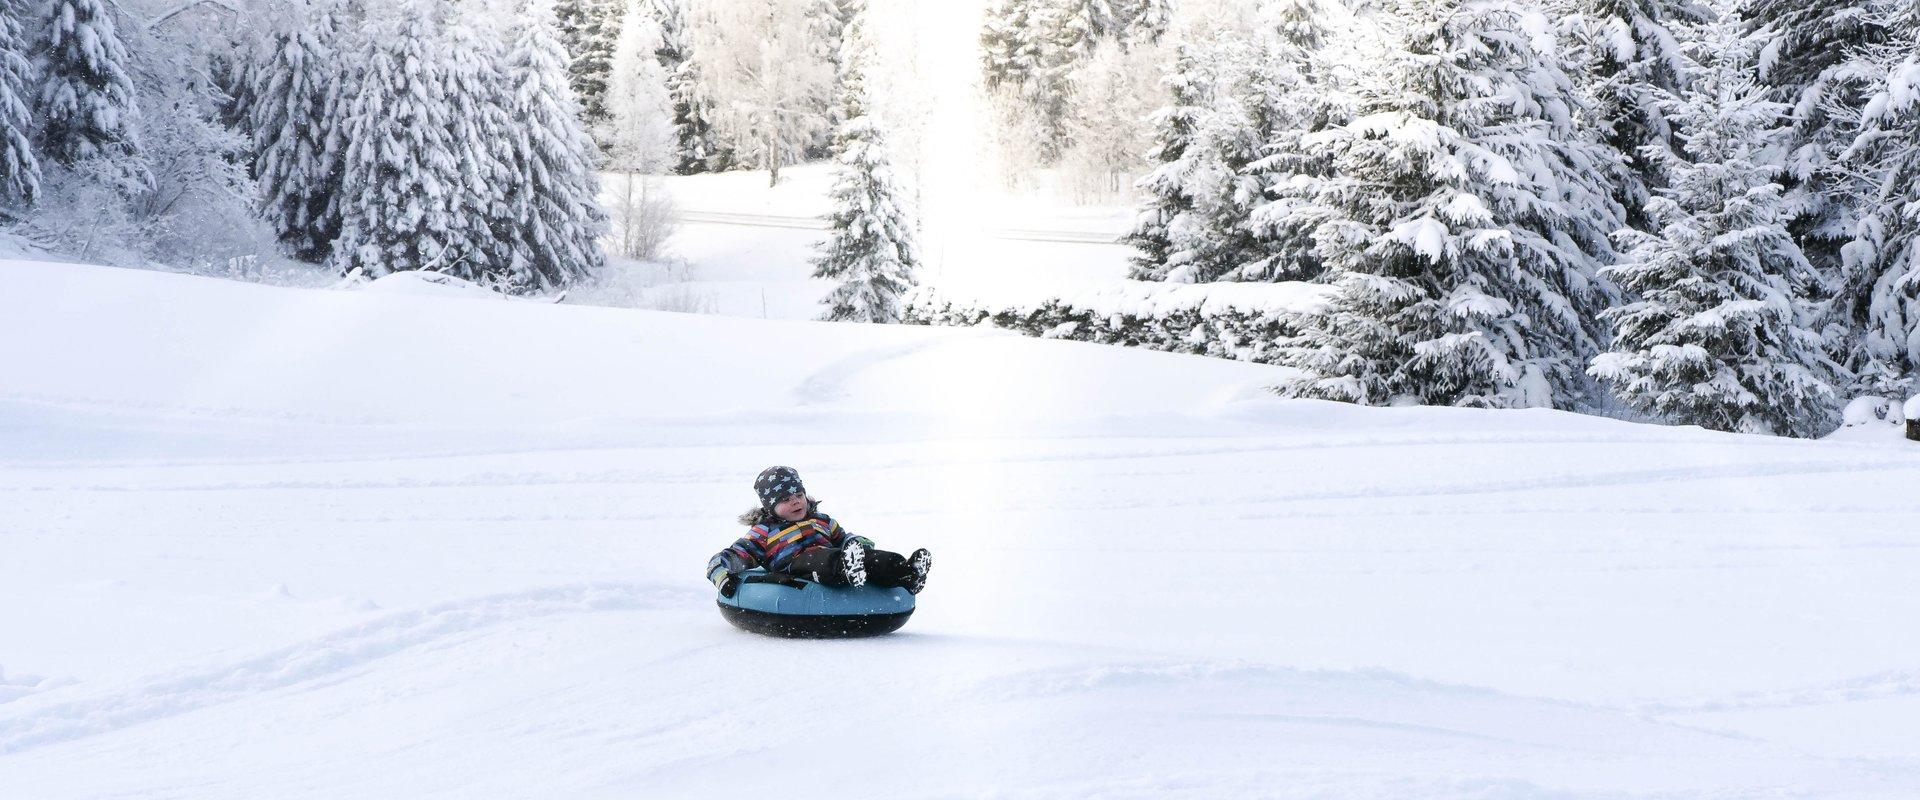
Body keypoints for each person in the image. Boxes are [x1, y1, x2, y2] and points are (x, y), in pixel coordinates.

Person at [706, 466, 930, 598]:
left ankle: (906, 574)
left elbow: (844, 539)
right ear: (769, 506)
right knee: (823, 559)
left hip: (838, 555)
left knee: (875, 558)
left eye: (799, 495)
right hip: (799, 565)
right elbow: (735, 555)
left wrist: (858, 542)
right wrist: (720, 573)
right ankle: (847, 569)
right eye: (785, 499)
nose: (795, 502)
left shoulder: (821, 520)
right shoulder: (764, 531)